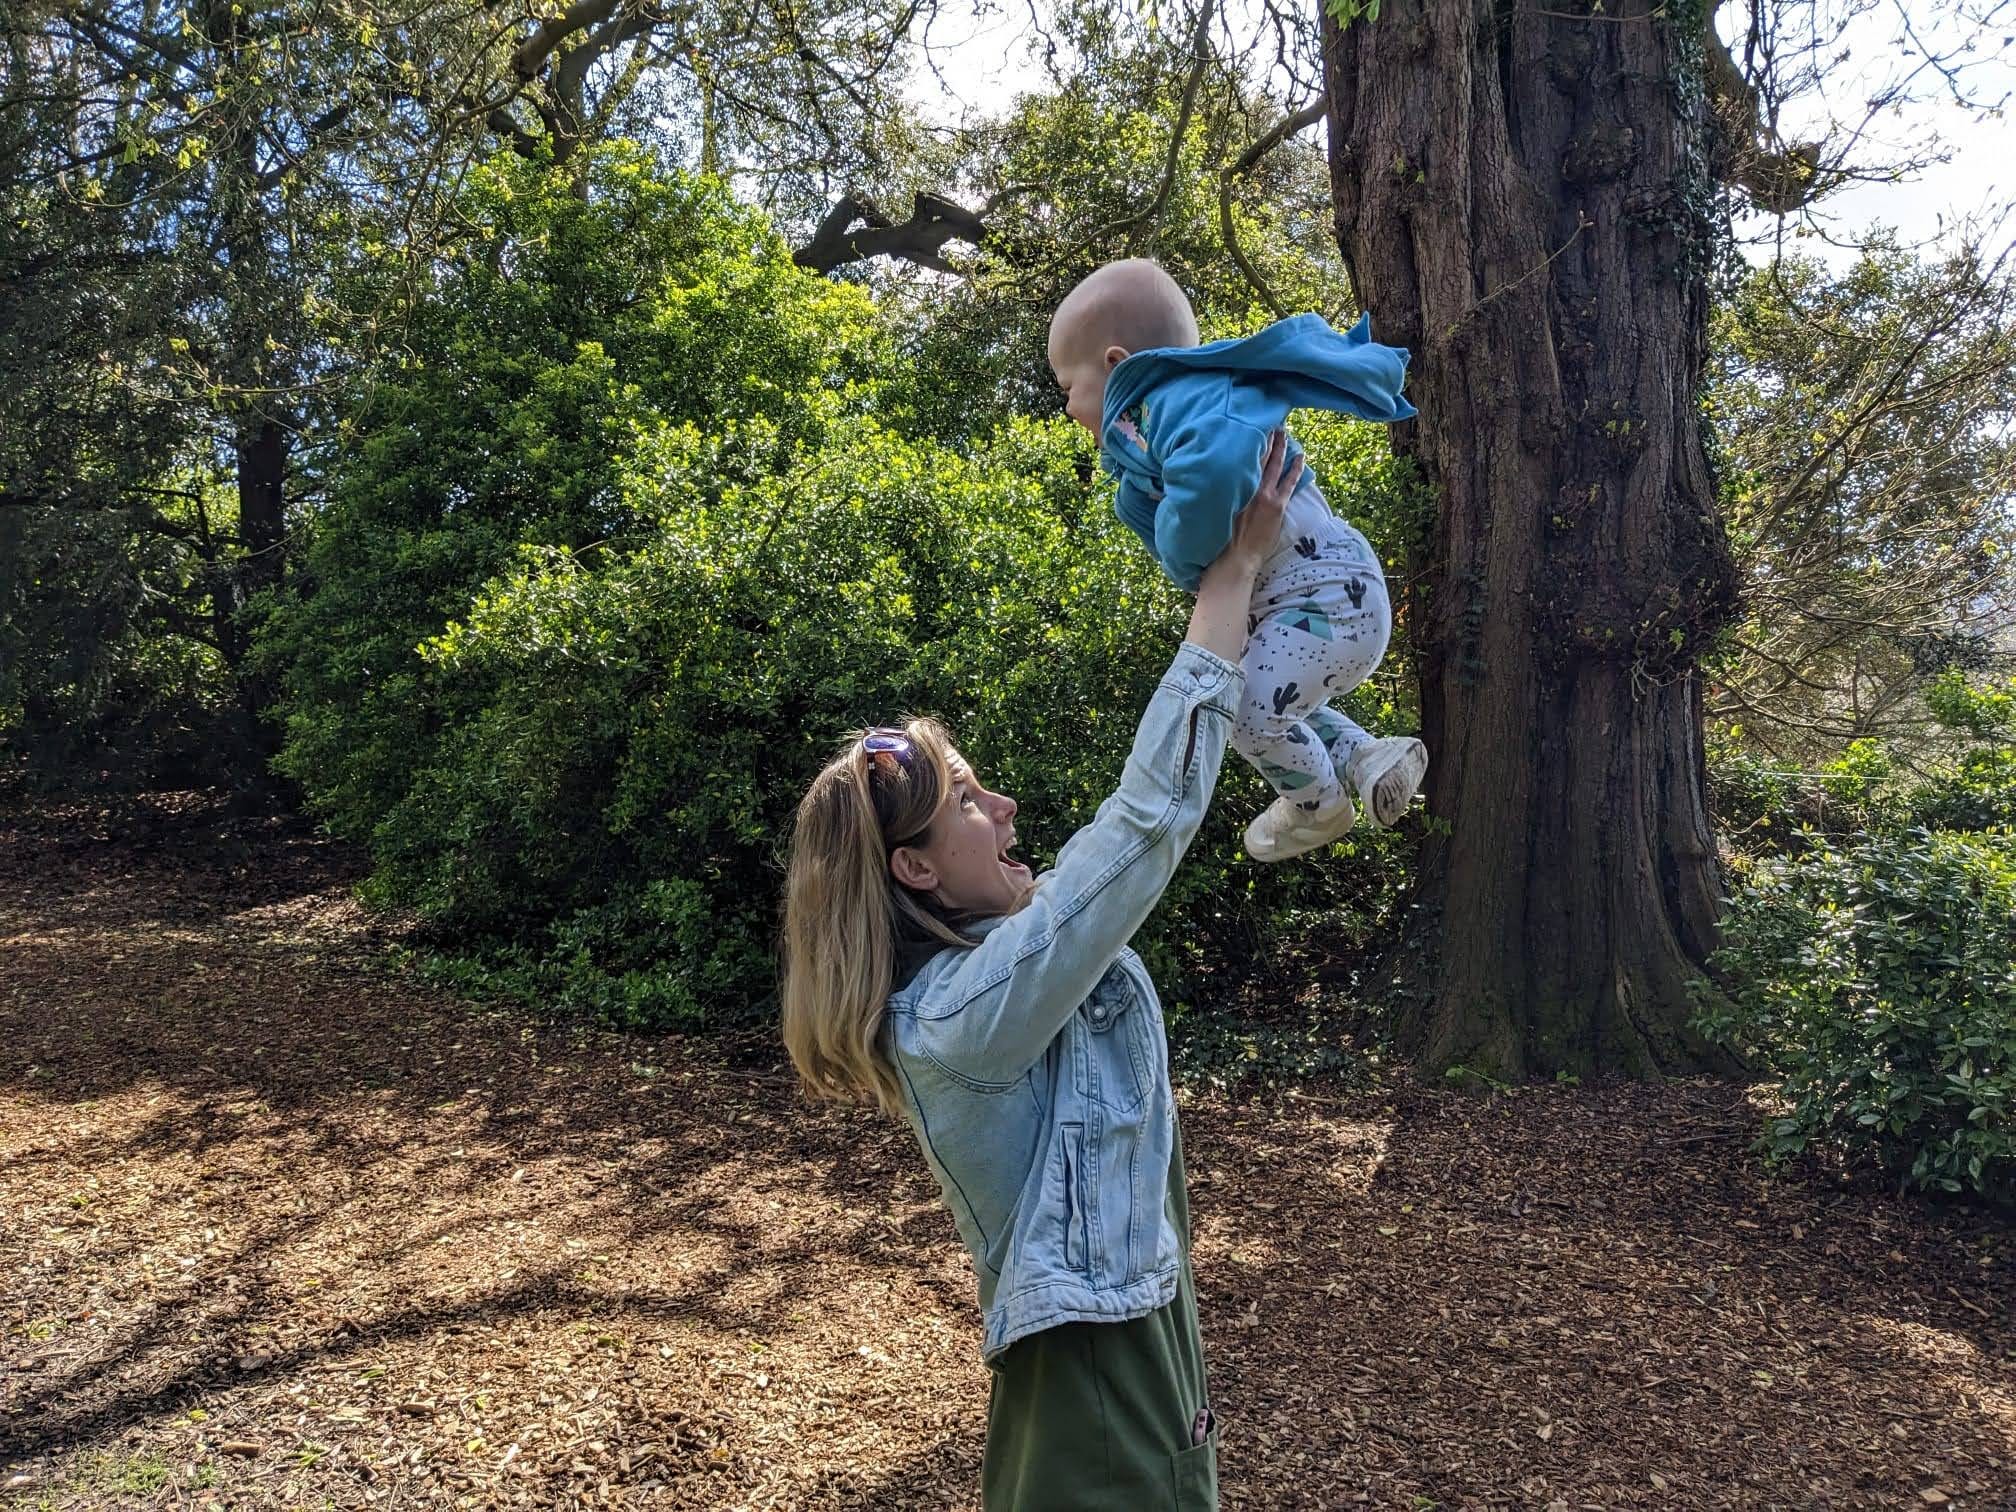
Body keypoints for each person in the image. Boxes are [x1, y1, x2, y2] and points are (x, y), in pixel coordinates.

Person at [780, 434, 1306, 1511]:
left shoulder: (1002, 979)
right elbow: (1144, 827)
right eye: (970, 801)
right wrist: (1231, 577)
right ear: (913, 867)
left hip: (1137, 1328)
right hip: (1096, 1366)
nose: (1005, 807)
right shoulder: (961, 1014)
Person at [1047, 257, 1429, 862]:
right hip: (1318, 595)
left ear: (1117, 365)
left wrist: (1179, 546)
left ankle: (1318, 809)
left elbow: (1215, 477)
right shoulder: (1159, 434)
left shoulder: (1177, 405)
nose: (1067, 408)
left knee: (1246, 716)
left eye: (1069, 387)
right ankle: (1366, 758)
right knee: (1273, 700)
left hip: (1322, 591)